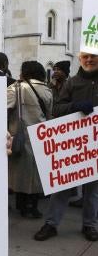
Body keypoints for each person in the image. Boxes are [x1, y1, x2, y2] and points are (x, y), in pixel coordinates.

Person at [34, 52, 98, 242]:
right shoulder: (72, 83)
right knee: (62, 187)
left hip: (94, 144)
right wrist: (76, 106)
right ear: (80, 59)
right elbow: (57, 109)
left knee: (93, 189)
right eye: (85, 57)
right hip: (73, 144)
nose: (89, 60)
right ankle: (51, 224)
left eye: (93, 57)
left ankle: (90, 225)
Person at [8, 61, 53, 218]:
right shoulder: (48, 90)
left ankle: (21, 206)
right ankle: (33, 207)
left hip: (21, 136)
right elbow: (50, 114)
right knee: (36, 173)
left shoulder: (17, 88)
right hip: (41, 136)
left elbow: (0, 107)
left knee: (20, 173)